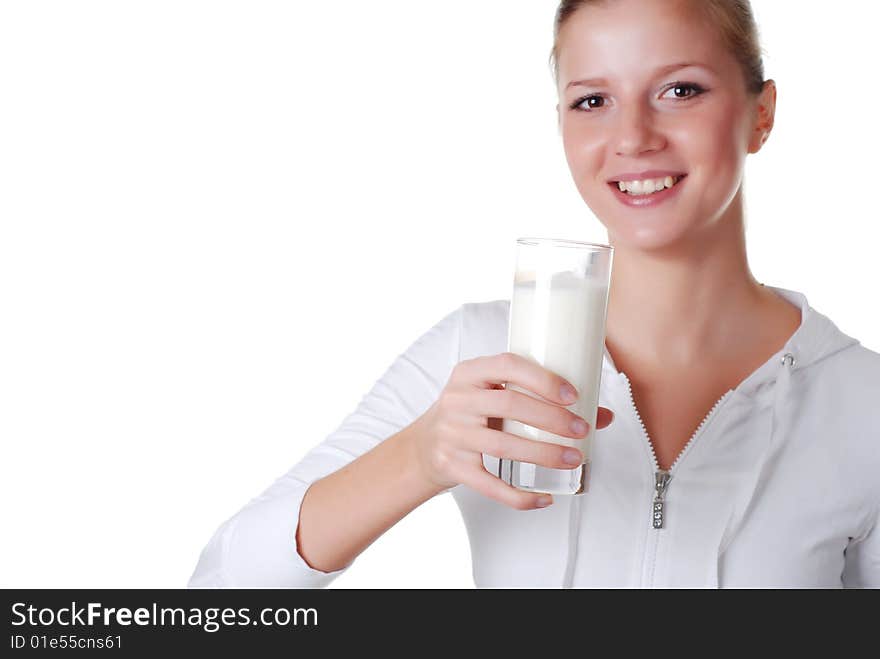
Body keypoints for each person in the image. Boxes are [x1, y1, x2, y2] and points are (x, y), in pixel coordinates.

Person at [188, 0, 880, 588]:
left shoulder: (861, 404)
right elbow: (222, 590)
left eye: (680, 90)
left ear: (762, 114)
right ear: (561, 124)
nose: (632, 137)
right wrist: (421, 455)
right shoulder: (479, 355)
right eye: (593, 101)